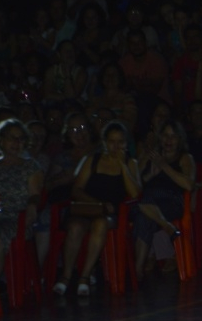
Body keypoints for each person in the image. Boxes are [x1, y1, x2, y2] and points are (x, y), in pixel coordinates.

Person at [53, 121, 141, 296]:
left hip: (109, 214)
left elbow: (135, 194)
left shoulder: (131, 164)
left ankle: (85, 276)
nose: (116, 146)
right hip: (88, 208)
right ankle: (66, 276)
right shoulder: (93, 160)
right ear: (105, 142)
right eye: (112, 141)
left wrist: (123, 166)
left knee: (100, 224)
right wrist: (96, 204)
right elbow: (76, 189)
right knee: (76, 227)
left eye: (120, 142)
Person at [0, 119, 44, 282]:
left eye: (21, 138)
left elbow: (35, 194)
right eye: (12, 138)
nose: (17, 142)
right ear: (1, 140)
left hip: (17, 218)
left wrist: (32, 206)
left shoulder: (30, 166)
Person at [132, 119, 195, 278]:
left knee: (141, 207)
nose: (168, 140)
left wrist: (164, 166)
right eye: (165, 136)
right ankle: (166, 227)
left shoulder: (185, 158)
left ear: (180, 139)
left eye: (173, 136)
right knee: (142, 216)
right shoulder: (150, 155)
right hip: (148, 200)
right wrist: (149, 176)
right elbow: (134, 183)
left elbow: (188, 185)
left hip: (171, 201)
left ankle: (140, 268)